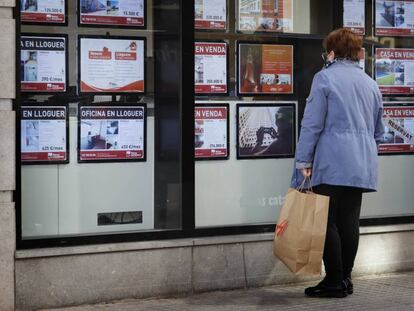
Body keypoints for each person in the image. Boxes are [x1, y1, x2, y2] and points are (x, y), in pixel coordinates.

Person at [291, 28, 385, 298]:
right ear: (356, 51)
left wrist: (303, 161)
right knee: (349, 221)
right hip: (361, 163)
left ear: (331, 50)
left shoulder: (325, 78)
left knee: (325, 221)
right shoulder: (371, 83)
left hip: (331, 161)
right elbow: (379, 132)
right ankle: (345, 279)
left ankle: (333, 281)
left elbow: (311, 125)